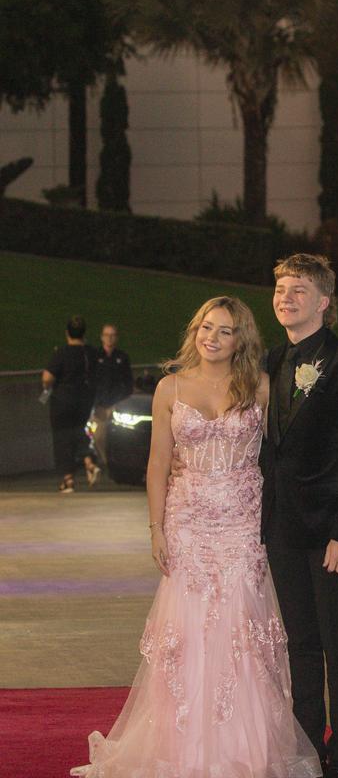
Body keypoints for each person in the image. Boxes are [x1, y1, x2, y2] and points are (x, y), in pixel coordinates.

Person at [71, 296, 320, 778]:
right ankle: (180, 750)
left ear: (240, 340)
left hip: (243, 527)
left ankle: (242, 753)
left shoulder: (263, 388)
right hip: (186, 524)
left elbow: (289, 457)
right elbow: (158, 464)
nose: (212, 337)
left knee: (239, 635)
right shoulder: (170, 387)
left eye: (224, 331)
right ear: (195, 330)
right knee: (186, 637)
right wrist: (156, 528)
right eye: (206, 327)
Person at [263, 254, 338, 778]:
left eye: (300, 289)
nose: (287, 297)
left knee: (337, 644)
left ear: (324, 301)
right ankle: (307, 744)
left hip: (329, 533)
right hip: (282, 529)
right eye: (281, 288)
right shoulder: (269, 362)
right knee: (299, 645)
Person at [41, 315, 99, 492]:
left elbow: (47, 378)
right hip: (85, 401)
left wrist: (47, 388)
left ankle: (68, 480)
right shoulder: (91, 353)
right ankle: (89, 462)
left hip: (63, 402)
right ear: (84, 333)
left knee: (63, 438)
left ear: (67, 333)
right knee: (81, 433)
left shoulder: (62, 353)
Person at [91, 323, 134, 466]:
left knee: (122, 435)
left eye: (112, 335)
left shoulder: (122, 357)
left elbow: (128, 382)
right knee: (99, 436)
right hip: (101, 405)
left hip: (118, 405)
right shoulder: (95, 357)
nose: (109, 338)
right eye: (107, 335)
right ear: (102, 337)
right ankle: (106, 461)